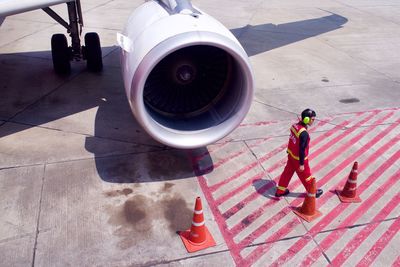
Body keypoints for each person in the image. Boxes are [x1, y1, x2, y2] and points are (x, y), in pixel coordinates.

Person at [275, 108, 323, 198]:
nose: (313, 121)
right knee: (306, 176)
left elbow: (291, 140)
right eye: (312, 119)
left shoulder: (294, 126)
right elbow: (301, 149)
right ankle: (313, 192)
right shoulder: (304, 133)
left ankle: (280, 191)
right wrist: (301, 164)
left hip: (291, 156)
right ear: (306, 119)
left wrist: (289, 151)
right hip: (299, 159)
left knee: (287, 173)